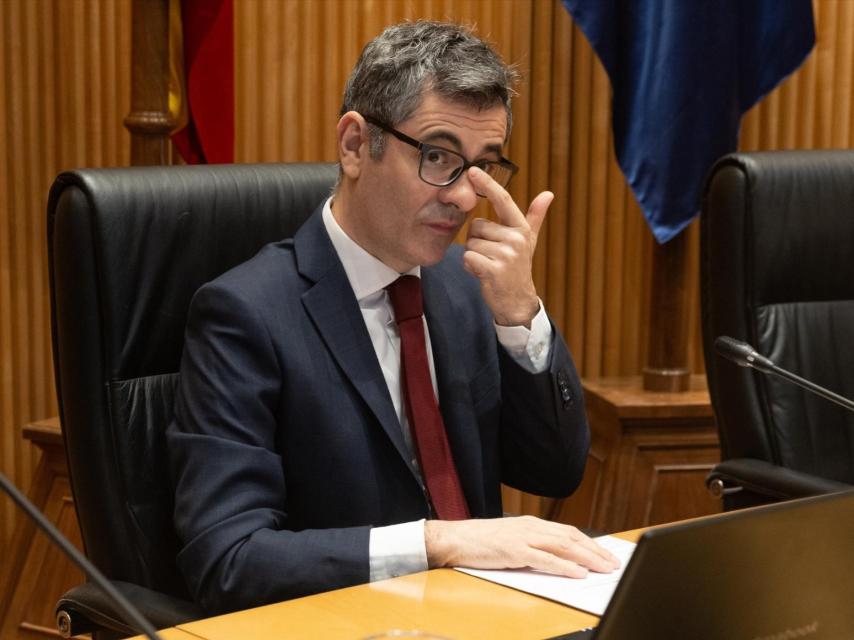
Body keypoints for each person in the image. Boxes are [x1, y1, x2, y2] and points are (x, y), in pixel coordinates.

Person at [167, 20, 619, 615]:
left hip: (482, 619)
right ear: (355, 146)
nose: (463, 196)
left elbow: (555, 471)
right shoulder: (245, 314)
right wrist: (438, 543)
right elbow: (229, 559)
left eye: (483, 165)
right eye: (438, 156)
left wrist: (519, 316)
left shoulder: (467, 286)